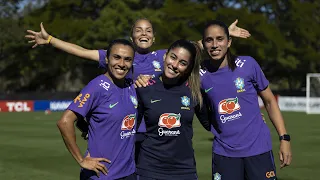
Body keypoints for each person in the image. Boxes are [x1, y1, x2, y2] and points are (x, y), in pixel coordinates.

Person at [25, 18, 250, 158]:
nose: (144, 33)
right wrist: (51, 40)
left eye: (148, 30)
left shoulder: (163, 56)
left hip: (154, 132)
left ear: (153, 38)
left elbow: (196, 46)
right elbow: (82, 51)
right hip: (127, 132)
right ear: (132, 36)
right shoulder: (121, 57)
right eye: (139, 30)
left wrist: (227, 34)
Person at [199, 20, 292, 180]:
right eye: (209, 40)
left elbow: (269, 101)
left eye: (220, 39)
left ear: (229, 42)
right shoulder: (199, 73)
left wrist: (284, 138)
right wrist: (222, 33)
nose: (214, 45)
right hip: (224, 153)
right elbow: (177, 53)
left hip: (258, 150)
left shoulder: (248, 64)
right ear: (203, 43)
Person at [56, 39, 138, 180]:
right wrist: (81, 160)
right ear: (106, 59)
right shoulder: (97, 87)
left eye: (127, 59)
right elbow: (65, 122)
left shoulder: (130, 84)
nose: (122, 64)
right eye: (116, 57)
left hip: (129, 173)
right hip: (102, 175)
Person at [135, 39, 211, 180]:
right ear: (165, 56)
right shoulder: (145, 87)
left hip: (184, 171)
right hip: (149, 170)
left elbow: (211, 125)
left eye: (182, 63)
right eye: (173, 57)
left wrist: (249, 118)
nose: (174, 65)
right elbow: (127, 128)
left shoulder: (195, 91)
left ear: (188, 68)